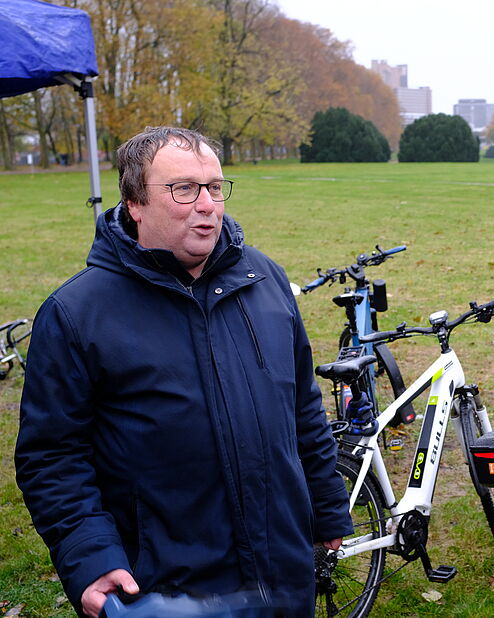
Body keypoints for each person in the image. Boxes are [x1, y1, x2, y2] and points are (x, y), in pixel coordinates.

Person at [15, 126, 352, 617]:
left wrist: (326, 509)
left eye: (215, 187)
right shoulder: (76, 313)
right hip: (162, 590)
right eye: (184, 189)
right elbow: (52, 456)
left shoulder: (267, 281)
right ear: (135, 203)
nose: (208, 204)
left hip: (282, 575)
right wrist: (88, 555)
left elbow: (303, 407)